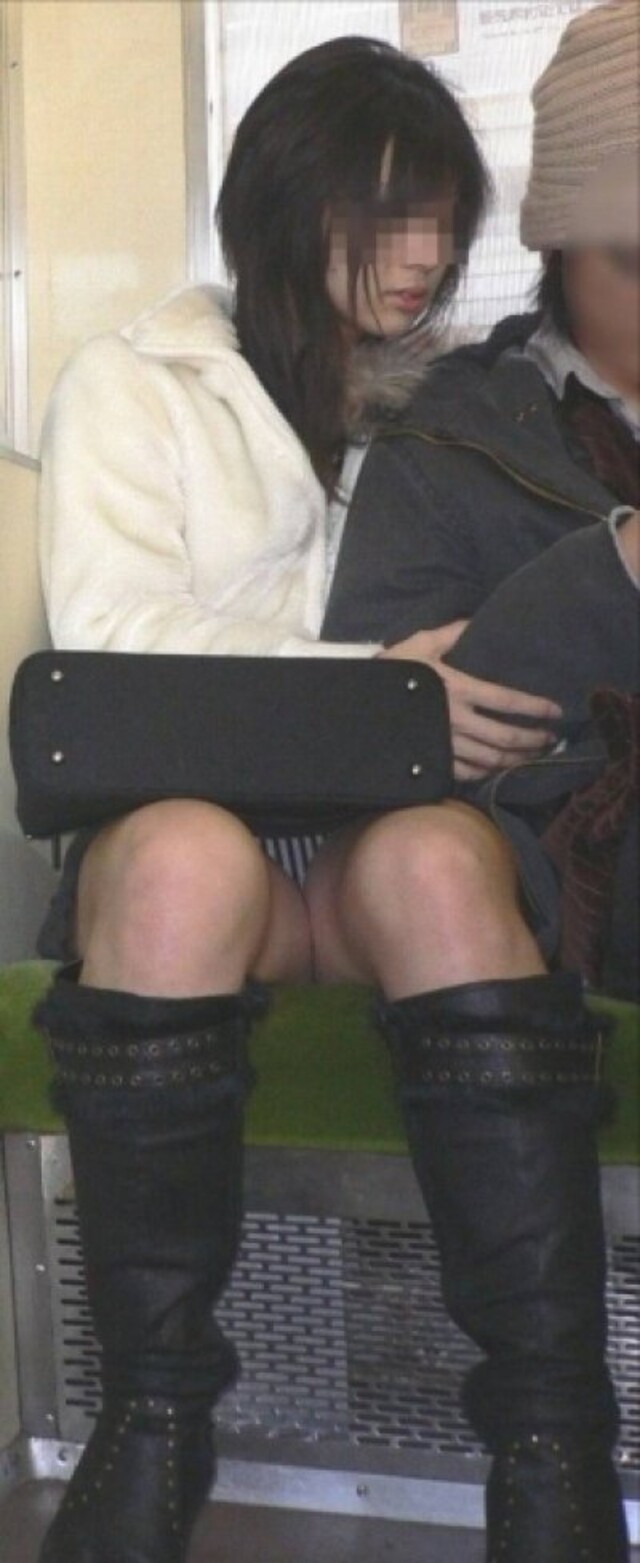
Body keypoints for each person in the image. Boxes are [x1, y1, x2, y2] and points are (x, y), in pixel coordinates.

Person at [34, 35, 561, 1563]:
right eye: (384, 213)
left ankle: (552, 1446)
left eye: (441, 220)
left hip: (381, 859)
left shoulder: (461, 411)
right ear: (285, 201)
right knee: (182, 860)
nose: (420, 256)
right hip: (209, 864)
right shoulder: (139, 383)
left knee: (440, 867)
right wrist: (381, 688)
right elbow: (114, 641)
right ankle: (153, 1422)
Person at [321, 3, 639, 1558]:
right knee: (429, 855)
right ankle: (554, 1454)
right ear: (571, 243)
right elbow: (386, 723)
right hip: (542, 864)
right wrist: (612, 574)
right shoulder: (450, 437)